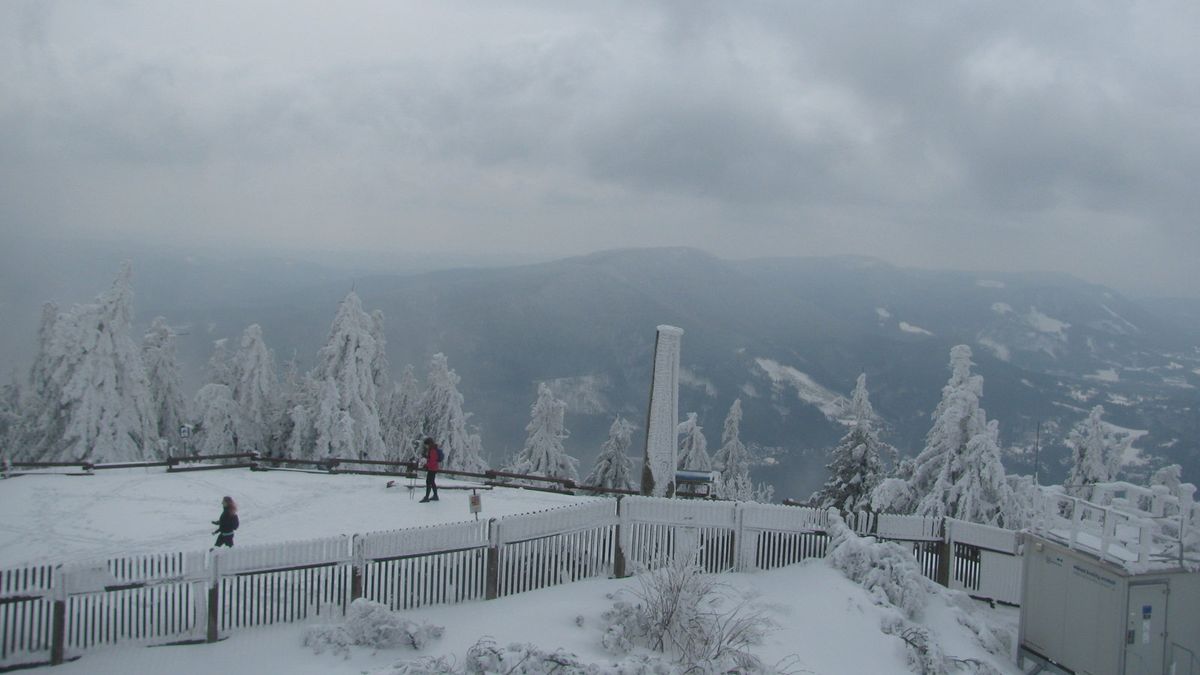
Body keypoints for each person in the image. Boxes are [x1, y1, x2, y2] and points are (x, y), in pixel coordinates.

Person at [419, 437, 440, 503]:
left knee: (428, 482)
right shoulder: (432, 449)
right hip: (433, 468)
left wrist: (426, 465)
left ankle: (426, 497)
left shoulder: (432, 450)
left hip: (432, 469)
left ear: (429, 444)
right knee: (432, 482)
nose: (426, 446)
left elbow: (432, 461)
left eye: (427, 445)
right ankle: (435, 496)